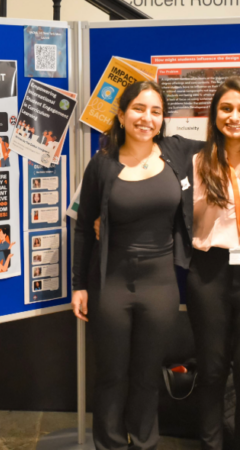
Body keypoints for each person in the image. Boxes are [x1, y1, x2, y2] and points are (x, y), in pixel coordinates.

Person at [72, 80, 203, 450]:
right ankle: (110, 445)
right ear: (122, 114)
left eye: (156, 111)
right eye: (139, 109)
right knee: (111, 376)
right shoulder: (102, 164)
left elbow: (226, 144)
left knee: (147, 375)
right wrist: (79, 285)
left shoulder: (177, 153)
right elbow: (83, 228)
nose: (147, 118)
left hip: (160, 284)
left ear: (163, 119)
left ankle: (145, 443)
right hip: (109, 283)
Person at [187, 77, 240, 450]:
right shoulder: (196, 162)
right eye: (227, 108)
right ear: (215, 114)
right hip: (211, 273)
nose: (234, 116)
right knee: (212, 369)